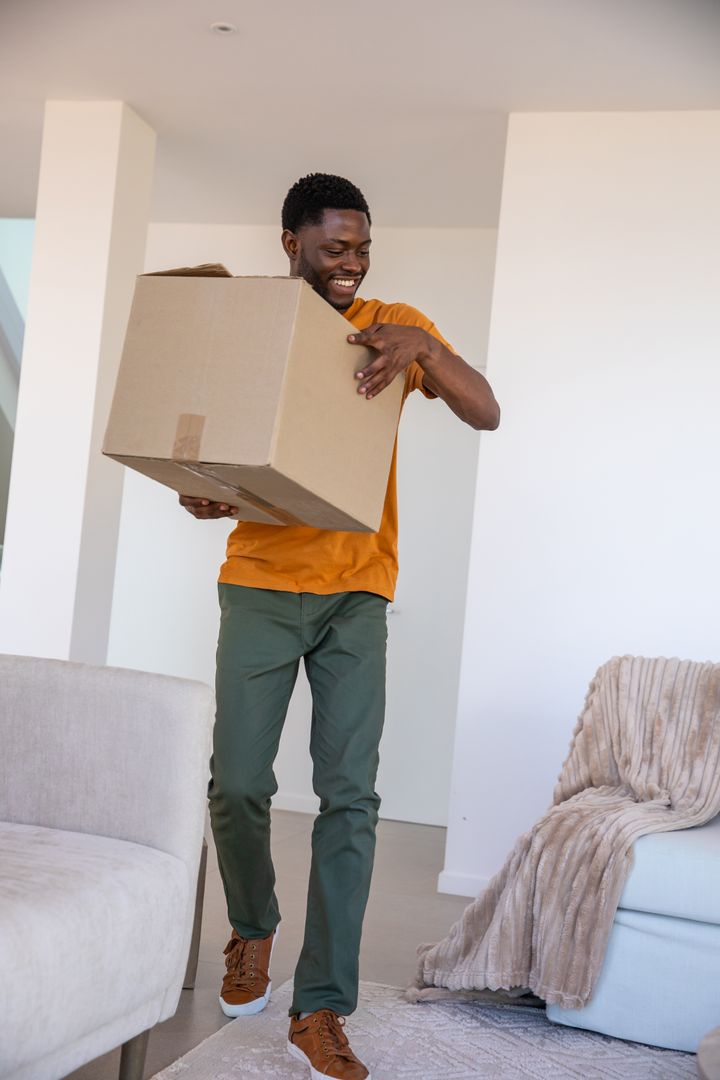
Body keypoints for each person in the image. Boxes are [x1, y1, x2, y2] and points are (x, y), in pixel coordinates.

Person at [179, 173, 500, 1080]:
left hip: (359, 590)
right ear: (291, 244)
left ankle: (321, 1008)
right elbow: (214, 454)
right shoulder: (256, 329)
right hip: (260, 582)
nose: (353, 264)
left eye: (361, 248)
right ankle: (252, 929)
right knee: (237, 782)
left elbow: (487, 409)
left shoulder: (393, 322)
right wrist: (208, 494)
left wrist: (423, 347)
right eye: (334, 249)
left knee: (349, 798)